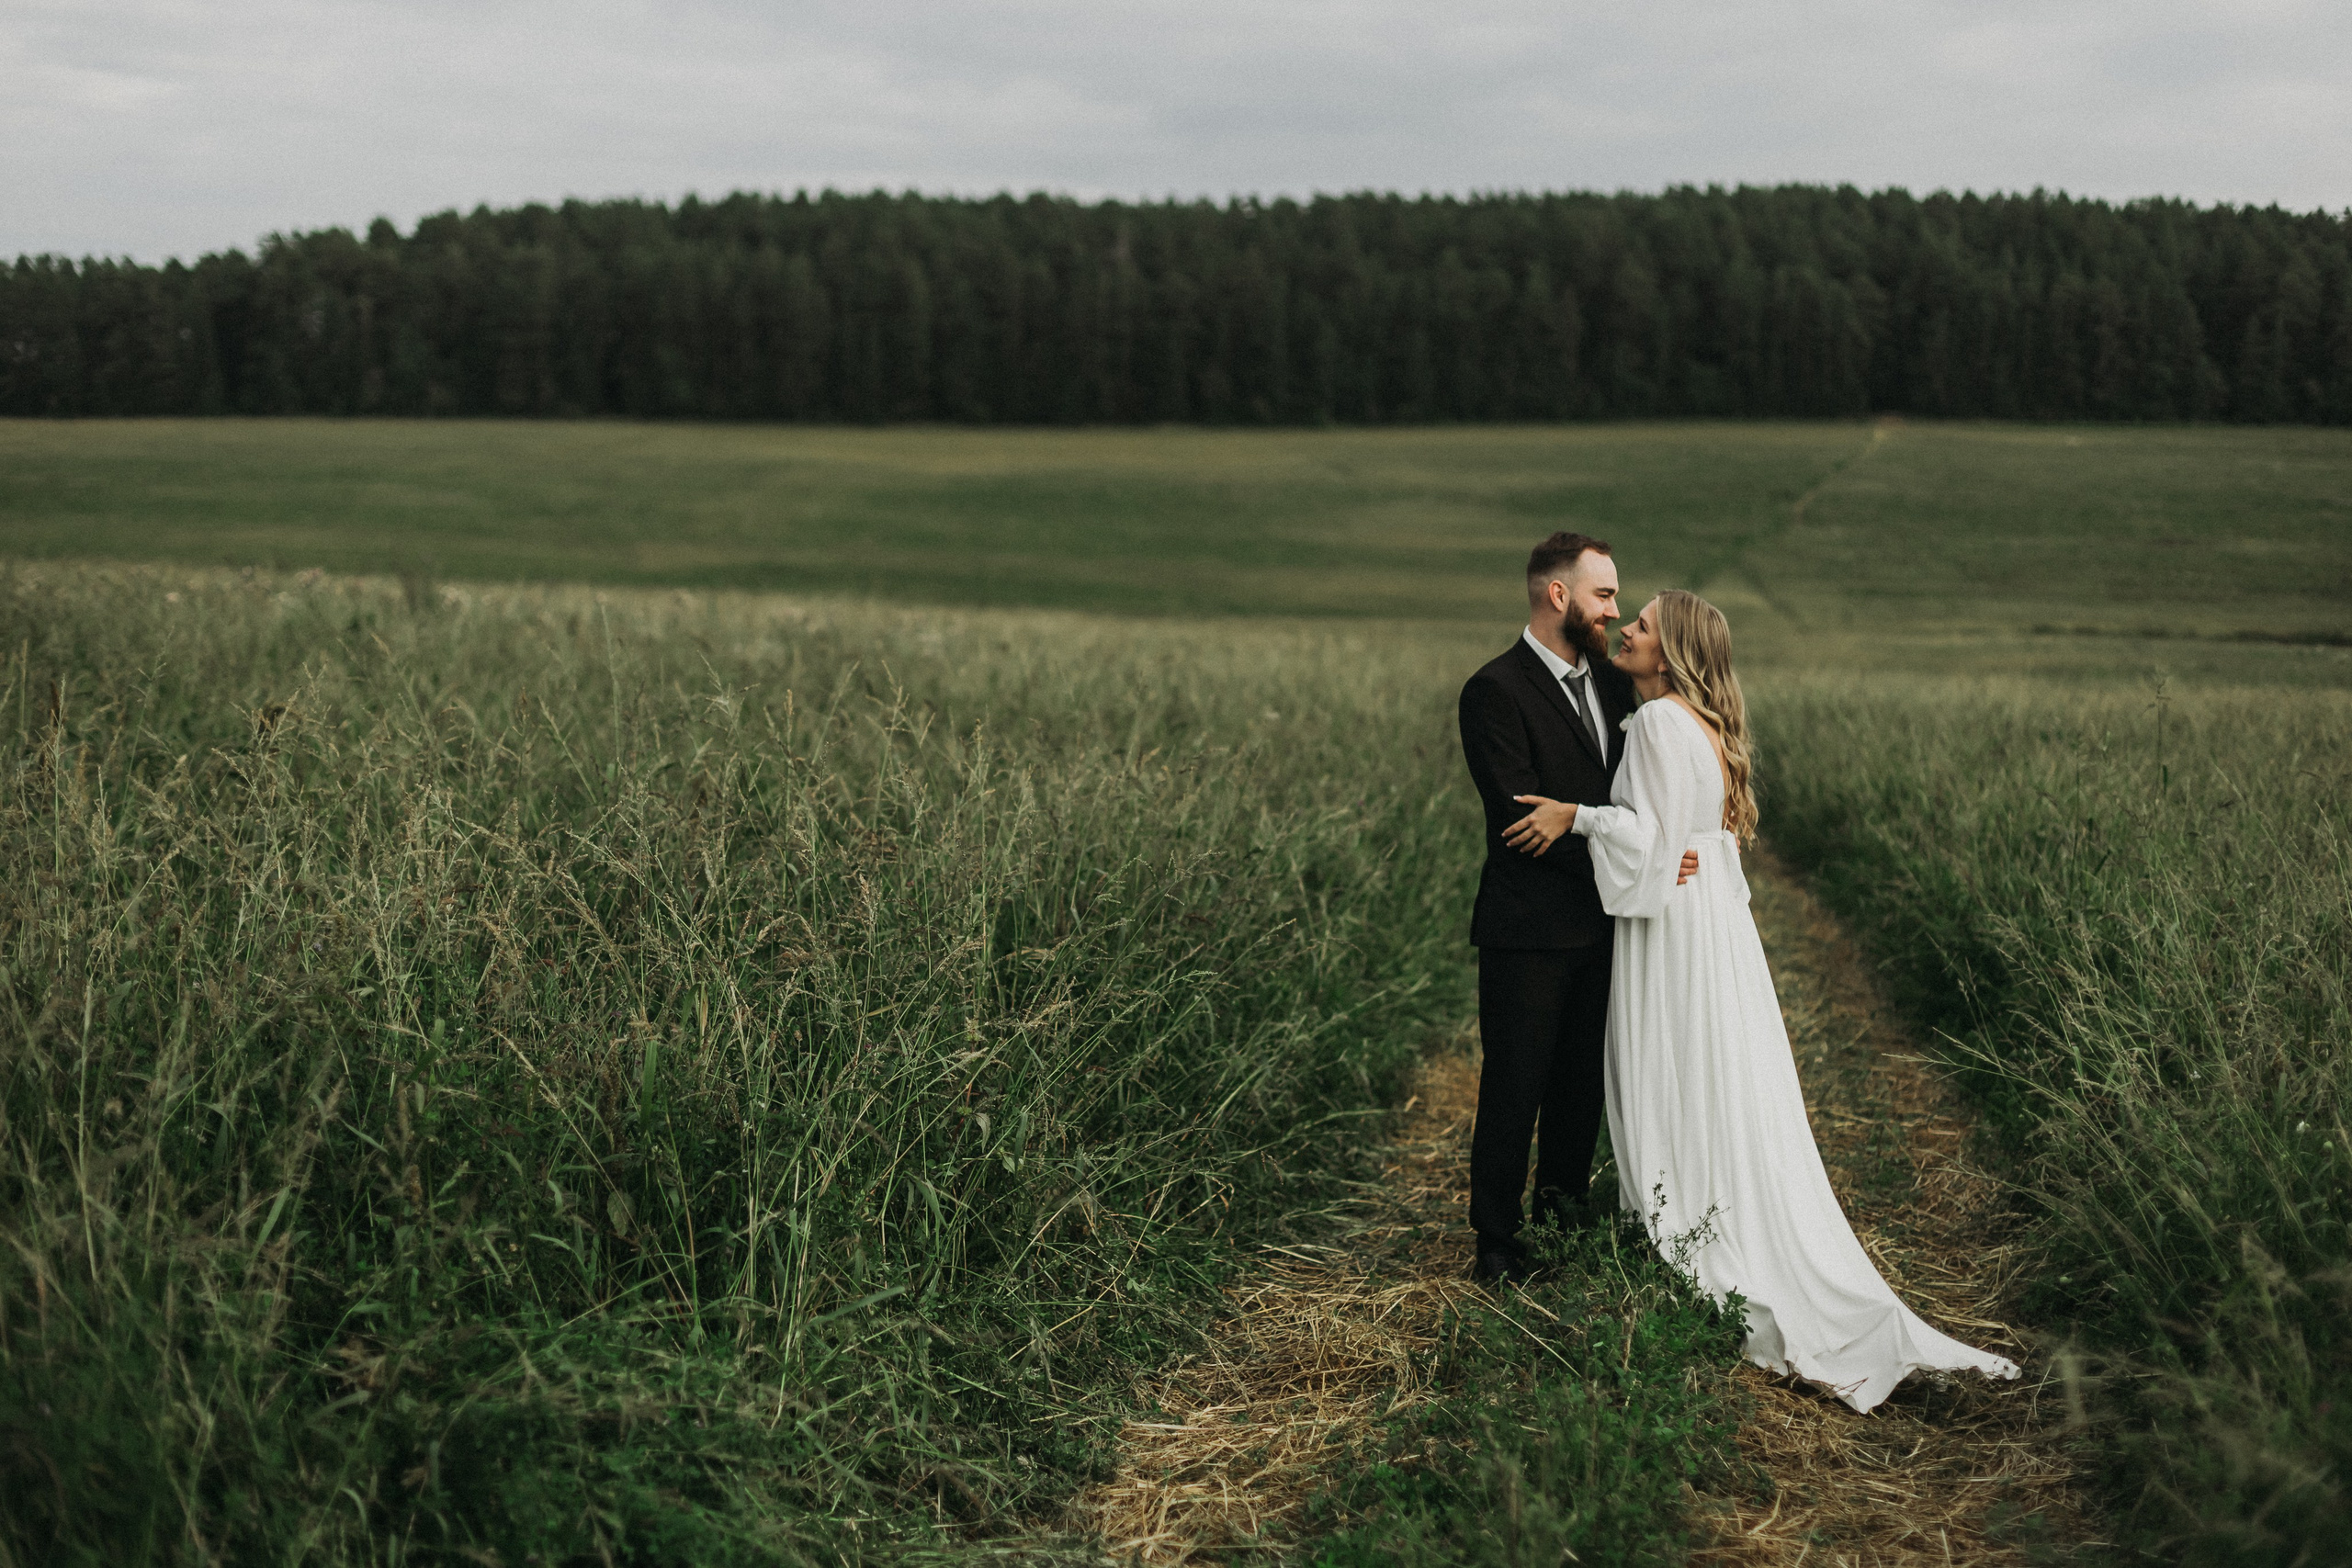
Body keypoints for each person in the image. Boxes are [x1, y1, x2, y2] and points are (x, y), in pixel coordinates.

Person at [1502, 589, 2018, 1412]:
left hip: (1674, 927)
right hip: (1708, 921)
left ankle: (1691, 1221)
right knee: (1712, 1065)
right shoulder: (1700, 727)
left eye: (1641, 626)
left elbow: (1652, 843)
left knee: (1673, 1063)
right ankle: (1709, 1200)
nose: (1625, 630)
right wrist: (1648, 840)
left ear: (1668, 655)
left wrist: (1578, 818)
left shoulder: (1662, 723)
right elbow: (1690, 840)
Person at [1454, 533, 1696, 1286]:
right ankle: (1495, 1240)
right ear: (1558, 594)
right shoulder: (1493, 690)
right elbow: (1521, 820)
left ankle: (1561, 1227)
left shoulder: (1620, 686)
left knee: (1580, 1087)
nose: (1614, 611)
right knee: (1514, 1084)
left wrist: (1657, 852)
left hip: (1608, 926)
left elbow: (1652, 797)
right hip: (1527, 930)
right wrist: (1633, 855)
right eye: (1604, 595)